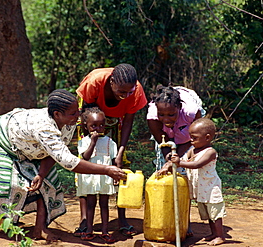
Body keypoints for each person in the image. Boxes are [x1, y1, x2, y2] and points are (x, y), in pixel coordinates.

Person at [0, 89, 126, 242]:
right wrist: (107, 170)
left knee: (48, 183)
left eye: (77, 111)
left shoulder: (69, 122)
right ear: (57, 114)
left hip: (31, 148)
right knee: (6, 183)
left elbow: (56, 153)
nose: (77, 116)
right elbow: (68, 161)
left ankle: (40, 228)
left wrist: (41, 174)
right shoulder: (44, 128)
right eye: (73, 113)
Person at [74, 63, 147, 237]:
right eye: (121, 92)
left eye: (129, 92)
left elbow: (128, 121)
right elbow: (86, 117)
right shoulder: (94, 82)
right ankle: (85, 220)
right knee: (84, 168)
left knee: (120, 169)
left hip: (117, 120)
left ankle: (122, 219)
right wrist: (90, 144)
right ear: (112, 82)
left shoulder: (135, 90)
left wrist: (119, 152)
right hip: (91, 118)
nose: (126, 96)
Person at [147, 85, 204, 237]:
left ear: (179, 107)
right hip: (167, 138)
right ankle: (165, 220)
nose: (166, 119)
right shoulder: (153, 115)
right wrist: (168, 159)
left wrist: (176, 160)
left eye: (171, 114)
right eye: (162, 115)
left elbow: (193, 140)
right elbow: (162, 142)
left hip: (189, 131)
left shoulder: (191, 111)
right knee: (163, 173)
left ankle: (185, 222)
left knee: (184, 177)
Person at [159, 118, 226, 246]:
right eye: (190, 137)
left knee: (215, 214)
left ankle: (220, 236)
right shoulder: (192, 150)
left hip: (211, 188)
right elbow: (183, 160)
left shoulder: (210, 152)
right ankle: (213, 233)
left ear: (207, 138)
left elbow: (196, 164)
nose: (191, 140)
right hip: (201, 189)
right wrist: (168, 165)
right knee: (208, 213)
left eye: (194, 137)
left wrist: (179, 162)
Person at [77, 106, 117, 244]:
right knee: (90, 204)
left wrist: (117, 176)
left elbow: (114, 160)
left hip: (104, 178)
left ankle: (105, 231)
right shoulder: (83, 141)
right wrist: (93, 142)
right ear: (86, 126)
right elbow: (86, 157)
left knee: (104, 204)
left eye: (101, 125)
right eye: (93, 126)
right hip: (90, 177)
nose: (98, 129)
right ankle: (89, 230)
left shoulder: (109, 142)